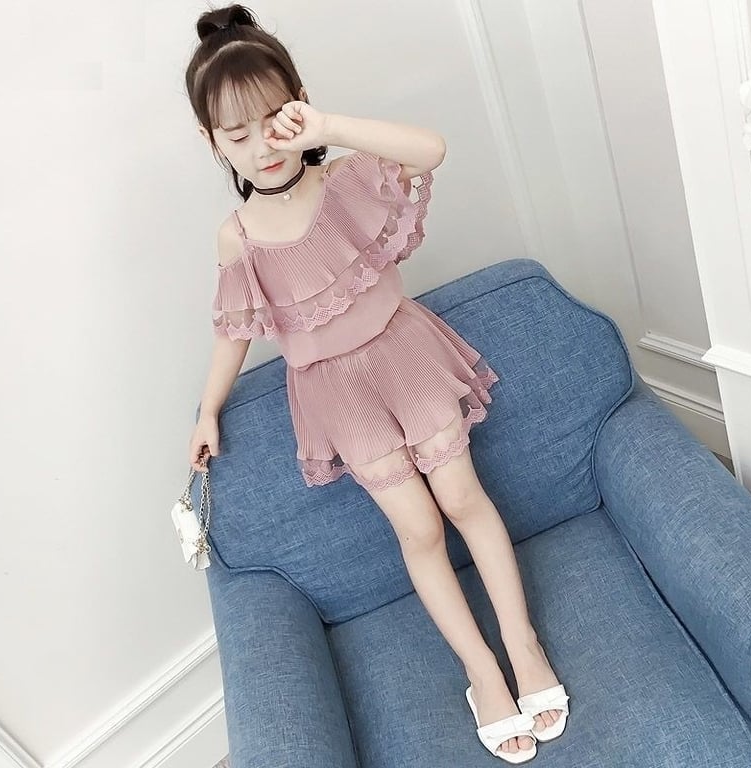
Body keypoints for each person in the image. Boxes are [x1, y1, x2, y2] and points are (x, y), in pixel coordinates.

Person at [184, 4, 569, 761]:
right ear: (211, 141)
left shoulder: (346, 180)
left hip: (405, 354)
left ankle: (523, 646)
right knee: (418, 529)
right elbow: (233, 330)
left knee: (463, 499)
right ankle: (482, 672)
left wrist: (329, 127)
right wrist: (208, 410)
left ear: (300, 105)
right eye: (238, 134)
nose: (263, 145)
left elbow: (432, 149)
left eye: (275, 120)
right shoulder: (238, 237)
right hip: (337, 395)